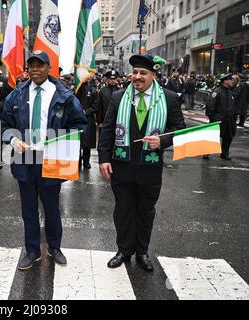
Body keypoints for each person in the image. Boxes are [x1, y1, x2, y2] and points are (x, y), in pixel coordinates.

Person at [98, 54, 185, 272]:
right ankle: (124, 250)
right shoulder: (118, 97)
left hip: (150, 167)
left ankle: (142, 252)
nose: (137, 77)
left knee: (146, 211)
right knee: (123, 210)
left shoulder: (170, 98)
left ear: (153, 75)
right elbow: (107, 129)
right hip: (122, 165)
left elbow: (180, 129)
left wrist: (163, 140)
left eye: (143, 73)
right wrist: (103, 159)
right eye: (135, 72)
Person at [2, 50, 87, 270]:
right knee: (28, 209)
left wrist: (61, 143)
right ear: (27, 69)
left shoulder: (64, 95)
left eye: (41, 65)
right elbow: (4, 126)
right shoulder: (16, 95)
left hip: (52, 160)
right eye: (32, 66)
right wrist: (13, 140)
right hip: (24, 159)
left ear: (50, 68)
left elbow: (80, 125)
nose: (36, 70)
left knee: (51, 208)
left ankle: (54, 247)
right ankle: (32, 251)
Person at [207, 73, 238, 160]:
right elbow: (210, 107)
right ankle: (206, 152)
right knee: (212, 137)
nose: (232, 81)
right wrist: (214, 119)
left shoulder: (231, 93)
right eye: (230, 79)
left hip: (229, 120)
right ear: (225, 81)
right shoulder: (217, 92)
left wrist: (234, 117)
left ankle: (224, 153)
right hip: (218, 120)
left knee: (228, 137)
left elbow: (233, 106)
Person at [75, 78, 98, 169]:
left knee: (87, 143)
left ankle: (86, 161)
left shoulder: (93, 90)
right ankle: (77, 161)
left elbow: (96, 105)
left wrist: (86, 111)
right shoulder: (75, 88)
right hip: (76, 119)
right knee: (76, 143)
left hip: (88, 119)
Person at [97, 70, 121, 150]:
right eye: (111, 79)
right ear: (107, 79)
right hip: (105, 119)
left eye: (114, 79)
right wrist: (99, 121)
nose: (113, 81)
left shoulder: (120, 91)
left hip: (118, 119)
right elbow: (99, 107)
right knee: (104, 139)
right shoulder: (102, 91)